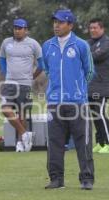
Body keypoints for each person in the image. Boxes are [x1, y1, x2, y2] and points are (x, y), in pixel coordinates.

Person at [42, 9, 95, 190]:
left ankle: (86, 179)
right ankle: (56, 179)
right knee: (55, 143)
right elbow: (47, 70)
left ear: (70, 25)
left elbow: (89, 71)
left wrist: (78, 90)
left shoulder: (81, 45)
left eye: (61, 22)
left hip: (77, 103)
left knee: (83, 142)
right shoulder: (47, 46)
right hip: (55, 103)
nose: (56, 25)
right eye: (55, 22)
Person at [0, 18, 44, 152]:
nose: (17, 31)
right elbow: (2, 58)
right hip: (9, 83)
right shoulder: (6, 42)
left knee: (22, 113)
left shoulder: (33, 44)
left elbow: (42, 64)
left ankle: (20, 143)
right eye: (15, 28)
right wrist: (4, 71)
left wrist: (32, 77)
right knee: (5, 109)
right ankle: (25, 134)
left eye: (20, 28)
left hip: (26, 85)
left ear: (26, 30)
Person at [87, 18, 109, 153]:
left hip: (102, 85)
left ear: (102, 29)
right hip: (90, 85)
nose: (92, 30)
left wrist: (84, 56)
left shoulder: (107, 43)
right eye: (91, 28)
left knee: (100, 113)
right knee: (94, 114)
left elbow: (94, 57)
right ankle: (101, 142)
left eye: (95, 28)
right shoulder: (89, 43)